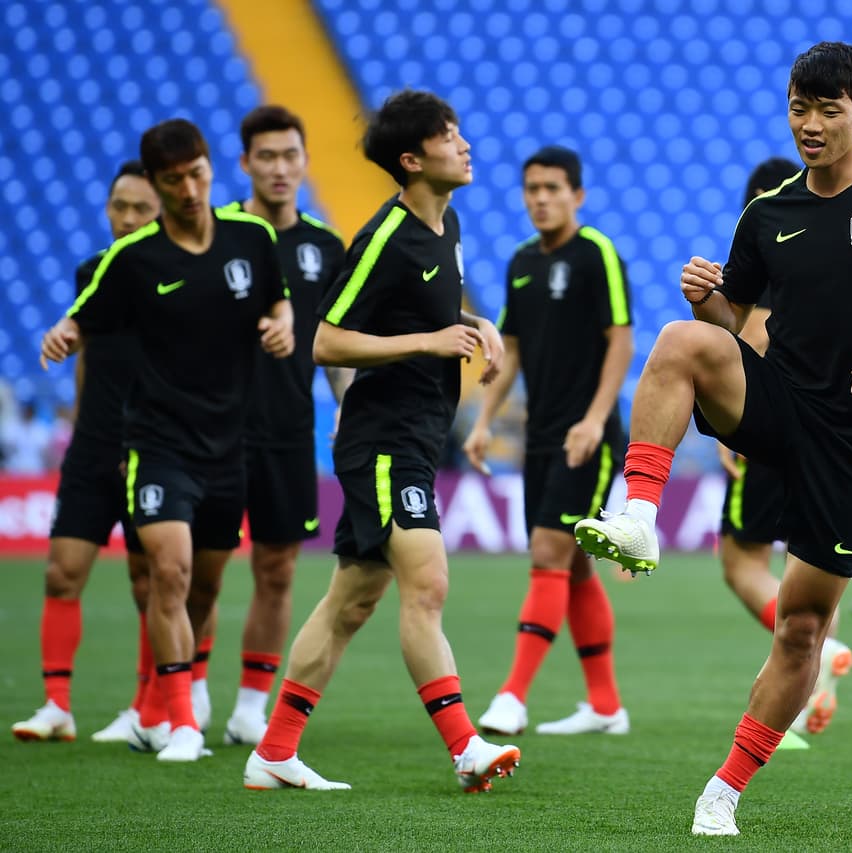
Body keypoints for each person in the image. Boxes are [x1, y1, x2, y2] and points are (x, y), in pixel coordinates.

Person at [573, 42, 852, 835]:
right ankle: (638, 513)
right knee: (677, 341)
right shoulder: (767, 215)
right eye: (800, 107)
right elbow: (737, 328)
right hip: (781, 400)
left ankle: (723, 788)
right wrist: (709, 304)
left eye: (830, 109)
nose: (812, 124)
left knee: (802, 626)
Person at [242, 89, 519, 793]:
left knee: (352, 600)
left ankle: (273, 750)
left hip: (415, 436)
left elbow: (417, 305)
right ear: (411, 159)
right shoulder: (385, 237)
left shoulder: (445, 224)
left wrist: (468, 323)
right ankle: (464, 745)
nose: (463, 144)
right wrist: (430, 339)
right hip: (386, 440)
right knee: (426, 583)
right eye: (448, 136)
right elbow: (326, 337)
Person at [39, 118, 294, 763]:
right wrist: (63, 333)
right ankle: (182, 723)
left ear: (211, 168)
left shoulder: (253, 237)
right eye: (174, 179)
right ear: (157, 183)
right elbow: (83, 310)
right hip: (156, 445)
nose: (188, 187)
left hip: (227, 448)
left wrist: (282, 325)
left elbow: (279, 300)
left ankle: (155, 709)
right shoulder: (134, 259)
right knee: (169, 575)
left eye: (197, 173)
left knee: (204, 589)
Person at [463, 146, 634, 737]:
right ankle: (607, 707)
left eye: (553, 188)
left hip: (587, 435)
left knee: (546, 553)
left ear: (577, 196)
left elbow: (620, 340)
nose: (541, 198)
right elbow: (507, 351)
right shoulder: (519, 262)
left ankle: (513, 695)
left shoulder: (596, 255)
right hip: (540, 436)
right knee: (576, 566)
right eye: (532, 188)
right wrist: (484, 420)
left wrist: (594, 418)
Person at [214, 105, 351, 746]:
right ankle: (177, 700)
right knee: (197, 571)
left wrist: (347, 409)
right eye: (264, 156)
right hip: (209, 432)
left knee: (277, 570)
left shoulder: (325, 248)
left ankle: (248, 705)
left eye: (288, 155)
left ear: (303, 160)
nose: (278, 167)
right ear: (245, 163)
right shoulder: (213, 235)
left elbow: (338, 344)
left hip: (289, 429)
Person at [12, 161, 158, 744]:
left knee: (151, 584)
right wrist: (82, 428)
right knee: (60, 573)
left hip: (153, 446)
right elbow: (90, 357)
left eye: (140, 208)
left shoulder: (180, 277)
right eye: (118, 205)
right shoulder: (92, 272)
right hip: (95, 443)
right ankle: (57, 705)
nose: (125, 218)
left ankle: (148, 708)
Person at [714, 157, 852, 738]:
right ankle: (816, 658)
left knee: (741, 561)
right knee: (816, 562)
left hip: (776, 422)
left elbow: (758, 330)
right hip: (840, 430)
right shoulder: (835, 247)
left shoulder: (772, 239)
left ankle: (818, 651)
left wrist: (735, 419)